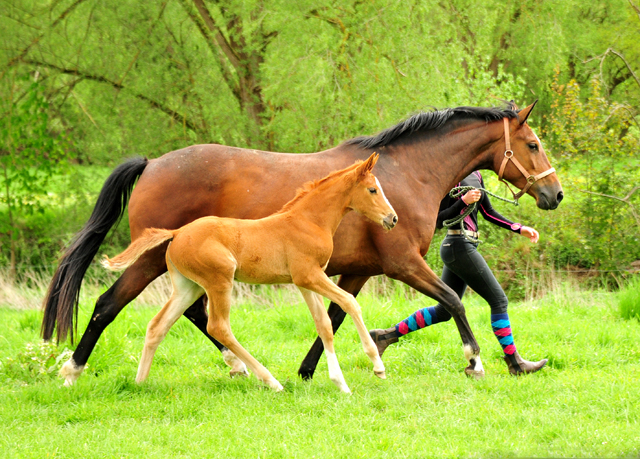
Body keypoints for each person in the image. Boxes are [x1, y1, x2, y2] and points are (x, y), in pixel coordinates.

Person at [369, 171, 548, 375]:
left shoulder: (477, 176)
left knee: (443, 311)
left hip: (465, 245)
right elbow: (437, 219)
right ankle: (515, 363)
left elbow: (488, 212)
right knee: (499, 301)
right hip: (458, 245)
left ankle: (385, 336)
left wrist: (519, 228)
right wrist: (462, 201)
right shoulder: (449, 177)